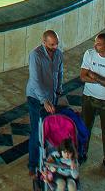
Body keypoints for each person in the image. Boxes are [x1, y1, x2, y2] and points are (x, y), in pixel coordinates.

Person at [79, 32, 105, 176]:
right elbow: (83, 77)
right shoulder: (89, 54)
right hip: (89, 97)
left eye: (98, 43)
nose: (94, 45)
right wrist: (104, 80)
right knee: (85, 127)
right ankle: (83, 152)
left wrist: (94, 76)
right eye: (95, 42)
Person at [26, 30, 64, 176]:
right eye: (51, 44)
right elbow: (35, 81)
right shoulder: (35, 55)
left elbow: (60, 72)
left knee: (49, 130)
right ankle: (33, 164)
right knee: (37, 130)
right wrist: (44, 101)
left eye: (56, 44)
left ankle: (48, 160)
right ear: (44, 42)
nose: (55, 47)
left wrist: (59, 89)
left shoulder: (59, 54)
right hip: (36, 98)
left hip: (51, 96)